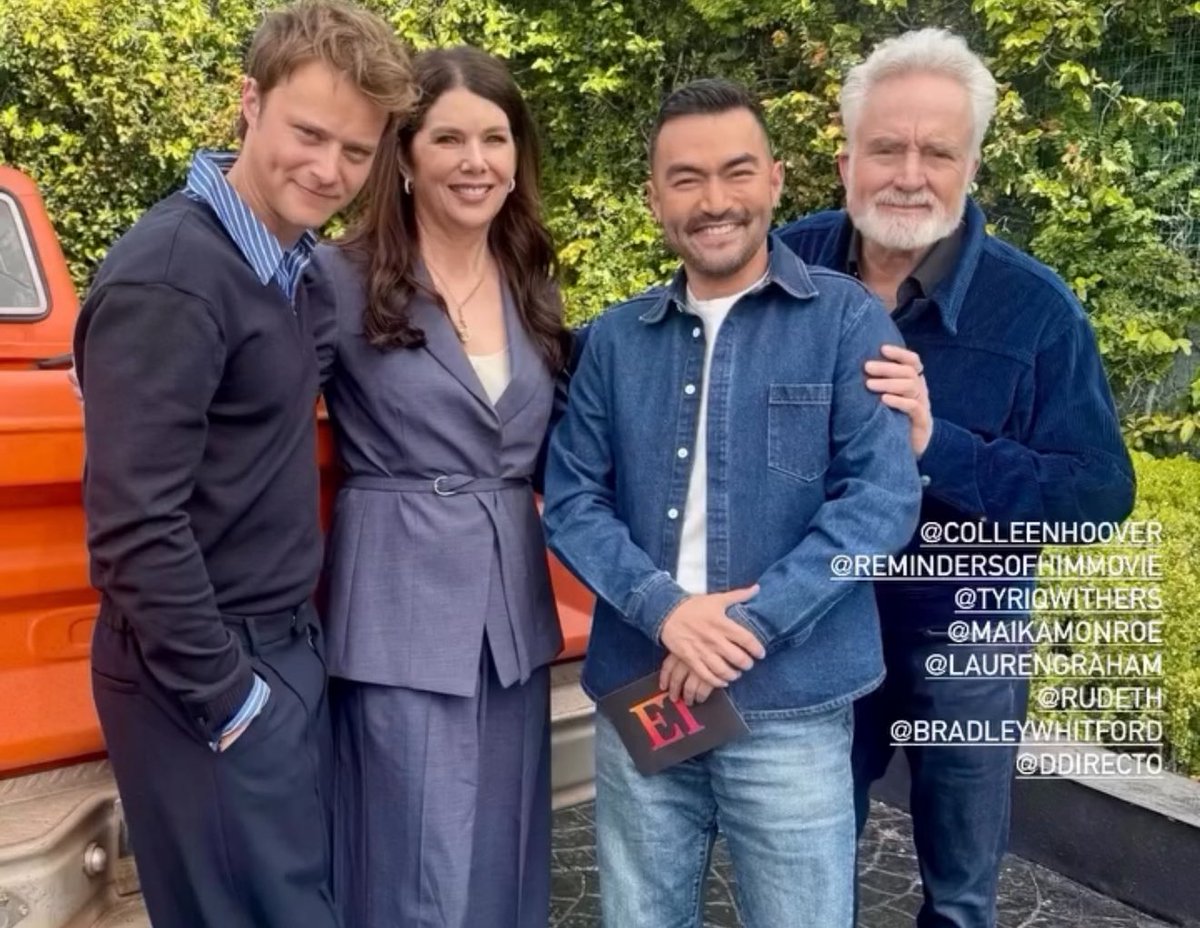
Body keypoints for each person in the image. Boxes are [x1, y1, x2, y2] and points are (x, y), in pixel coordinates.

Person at [543, 78, 923, 928]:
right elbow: (571, 499)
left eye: (736, 172)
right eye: (685, 178)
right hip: (647, 685)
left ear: (777, 180)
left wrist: (747, 628)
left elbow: (880, 504)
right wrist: (667, 613)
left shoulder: (847, 323)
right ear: (654, 198)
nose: (714, 201)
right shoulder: (613, 341)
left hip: (791, 705)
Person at [778, 28, 1135, 928]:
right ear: (845, 156)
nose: (909, 172)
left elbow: (1097, 495)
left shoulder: (1036, 309)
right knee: (802, 860)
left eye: (936, 151)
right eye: (885, 147)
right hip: (815, 614)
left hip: (965, 620)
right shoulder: (782, 267)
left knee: (962, 888)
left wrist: (937, 443)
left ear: (971, 162)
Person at [71, 4, 414, 926]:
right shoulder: (173, 276)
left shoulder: (283, 262)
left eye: (356, 151)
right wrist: (230, 701)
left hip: (278, 645)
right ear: (248, 105)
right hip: (205, 673)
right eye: (309, 133)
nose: (329, 169)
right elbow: (136, 526)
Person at [311, 46, 572, 928]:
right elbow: (248, 408)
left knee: (505, 857)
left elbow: (572, 446)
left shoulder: (532, 284)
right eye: (450, 138)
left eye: (495, 139)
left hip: (512, 621)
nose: (476, 161)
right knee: (406, 872)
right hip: (396, 609)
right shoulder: (340, 279)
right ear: (407, 155)